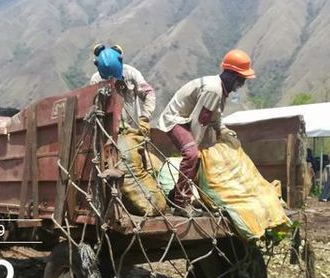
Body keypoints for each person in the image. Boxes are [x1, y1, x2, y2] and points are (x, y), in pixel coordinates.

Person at [157, 49, 255, 217]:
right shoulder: (213, 90)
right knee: (192, 155)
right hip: (176, 120)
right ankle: (181, 204)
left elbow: (215, 116)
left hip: (187, 120)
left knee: (198, 158)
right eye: (241, 80)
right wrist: (195, 147)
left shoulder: (220, 91)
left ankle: (175, 195)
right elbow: (199, 121)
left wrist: (222, 130)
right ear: (231, 76)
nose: (242, 85)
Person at [90, 44, 165, 216]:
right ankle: (115, 204)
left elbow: (149, 93)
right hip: (109, 134)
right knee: (112, 167)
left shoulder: (132, 74)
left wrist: (145, 118)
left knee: (140, 164)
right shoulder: (95, 80)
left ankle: (147, 202)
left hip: (133, 130)